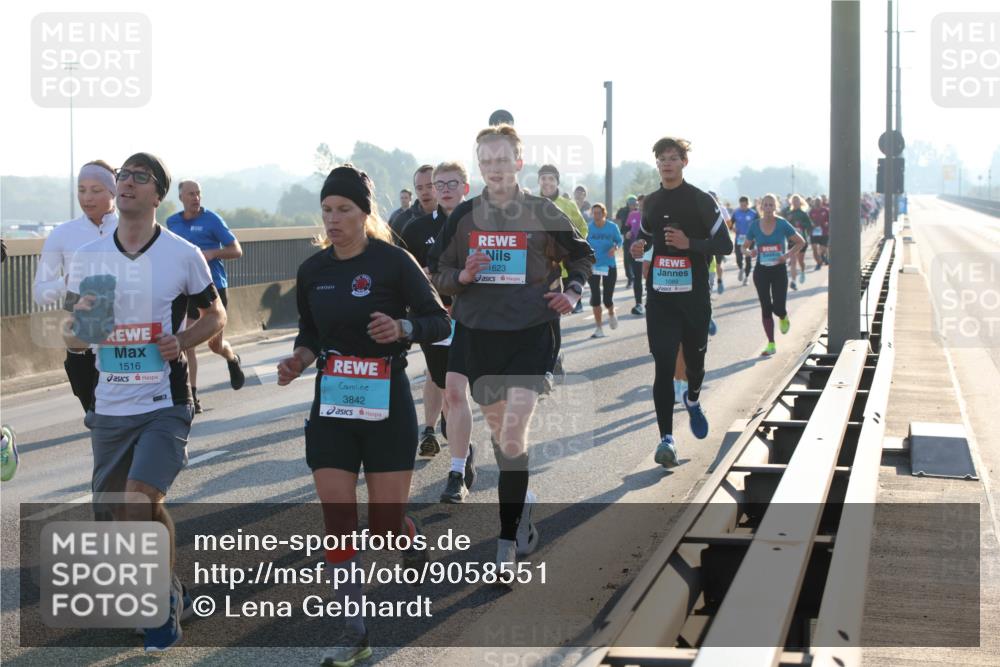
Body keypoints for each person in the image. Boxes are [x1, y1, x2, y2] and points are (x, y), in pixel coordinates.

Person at [276, 165, 450, 664]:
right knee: (338, 518)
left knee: (384, 523)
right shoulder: (313, 270)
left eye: (343, 210)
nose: (332, 219)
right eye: (327, 210)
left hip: (386, 402)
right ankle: (355, 630)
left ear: (364, 212)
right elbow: (310, 335)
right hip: (332, 404)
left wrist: (402, 327)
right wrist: (298, 360)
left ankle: (409, 539)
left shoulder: (394, 263)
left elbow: (439, 322)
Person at [63, 152, 224, 652]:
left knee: (138, 501)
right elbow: (71, 339)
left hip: (165, 401)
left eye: (139, 177)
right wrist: (83, 329)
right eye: (122, 176)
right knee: (123, 515)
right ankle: (170, 588)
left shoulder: (181, 254)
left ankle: (156, 610)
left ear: (158, 195)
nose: (126, 182)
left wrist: (187, 339)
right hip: (110, 405)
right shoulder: (90, 257)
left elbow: (214, 314)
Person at [431, 124, 594, 572]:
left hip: (530, 333)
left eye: (502, 160)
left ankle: (505, 548)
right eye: (486, 161)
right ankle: (520, 499)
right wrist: (462, 278)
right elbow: (438, 272)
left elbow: (582, 257)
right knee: (504, 442)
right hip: (480, 334)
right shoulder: (462, 216)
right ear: (479, 166)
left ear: (518, 163)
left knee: (512, 435)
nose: (495, 169)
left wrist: (573, 292)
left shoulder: (543, 212)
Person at [629, 137, 733, 469]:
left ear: (683, 163)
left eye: (673, 158)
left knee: (695, 364)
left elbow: (725, 245)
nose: (667, 164)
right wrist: (637, 247)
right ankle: (666, 439)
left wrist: (691, 243)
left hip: (694, 298)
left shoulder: (701, 201)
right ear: (656, 164)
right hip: (660, 297)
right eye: (661, 159)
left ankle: (692, 399)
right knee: (662, 363)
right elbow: (644, 237)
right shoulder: (652, 202)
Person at [34, 161, 119, 412]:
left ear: (113, 192)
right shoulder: (63, 234)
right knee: (98, 425)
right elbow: (40, 293)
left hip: (125, 345)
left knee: (123, 427)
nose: (87, 197)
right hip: (82, 349)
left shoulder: (131, 228)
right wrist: (67, 282)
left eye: (96, 190)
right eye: (81, 190)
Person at [400, 162, 469, 462]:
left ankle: (454, 430)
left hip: (473, 316)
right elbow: (402, 275)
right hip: (435, 318)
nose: (432, 192)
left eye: (438, 185)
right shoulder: (414, 228)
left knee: (465, 387)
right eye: (425, 187)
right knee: (443, 381)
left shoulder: (483, 223)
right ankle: (449, 446)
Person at [166, 181, 245, 413]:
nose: (196, 197)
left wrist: (213, 253)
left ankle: (231, 358)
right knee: (186, 339)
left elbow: (236, 250)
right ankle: (192, 395)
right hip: (185, 289)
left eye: (198, 193)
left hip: (213, 287)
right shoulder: (172, 222)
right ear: (181, 197)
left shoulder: (212, 220)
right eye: (191, 194)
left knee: (215, 344)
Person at [537, 164, 590, 378]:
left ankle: (552, 361)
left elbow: (583, 230)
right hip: (539, 270)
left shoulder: (567, 205)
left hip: (563, 272)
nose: (547, 183)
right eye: (543, 179)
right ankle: (549, 357)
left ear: (557, 182)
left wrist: (569, 252)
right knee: (539, 319)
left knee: (553, 317)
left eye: (551, 179)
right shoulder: (531, 204)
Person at [742, 194, 806, 356]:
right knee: (765, 306)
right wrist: (750, 252)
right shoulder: (755, 226)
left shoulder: (782, 224)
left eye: (771, 205)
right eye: (766, 205)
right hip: (761, 271)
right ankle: (771, 343)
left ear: (775, 207)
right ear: (761, 207)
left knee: (778, 306)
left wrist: (787, 255)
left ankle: (783, 316)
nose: (769, 208)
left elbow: (801, 242)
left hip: (779, 270)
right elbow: (744, 248)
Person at [586, 203, 622, 338]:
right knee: (595, 298)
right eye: (594, 213)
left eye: (599, 213)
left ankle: (611, 313)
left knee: (607, 299)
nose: (596, 216)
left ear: (604, 214)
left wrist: (615, 248)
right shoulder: (588, 228)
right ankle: (599, 328)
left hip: (608, 266)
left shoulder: (612, 227)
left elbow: (619, 241)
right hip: (593, 266)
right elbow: (583, 244)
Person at [389, 165, 437, 240]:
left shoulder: (451, 217)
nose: (424, 192)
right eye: (419, 188)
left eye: (429, 186)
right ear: (415, 191)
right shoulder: (402, 220)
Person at [784, 194, 811, 287]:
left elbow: (809, 225)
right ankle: (794, 281)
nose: (795, 203)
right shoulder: (789, 214)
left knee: (800, 261)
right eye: (794, 201)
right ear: (791, 202)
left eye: (797, 201)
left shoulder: (803, 213)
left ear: (800, 202)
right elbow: (785, 226)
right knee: (793, 261)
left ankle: (803, 271)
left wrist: (801, 226)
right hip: (792, 241)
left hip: (802, 240)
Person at [731, 196, 759, 285]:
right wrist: (733, 228)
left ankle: (746, 278)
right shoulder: (736, 213)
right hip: (739, 238)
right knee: (738, 257)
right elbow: (729, 223)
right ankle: (741, 269)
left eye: (744, 205)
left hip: (750, 239)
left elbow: (759, 225)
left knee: (748, 259)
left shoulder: (754, 213)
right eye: (741, 205)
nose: (743, 207)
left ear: (748, 204)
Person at [809, 196, 830, 268]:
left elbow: (830, 220)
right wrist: (811, 224)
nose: (817, 203)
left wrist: (827, 223)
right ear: (814, 202)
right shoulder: (811, 211)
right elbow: (809, 220)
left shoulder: (826, 210)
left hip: (824, 232)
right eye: (816, 201)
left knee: (823, 249)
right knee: (814, 248)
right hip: (814, 232)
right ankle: (818, 262)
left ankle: (822, 256)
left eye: (819, 201)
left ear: (821, 202)